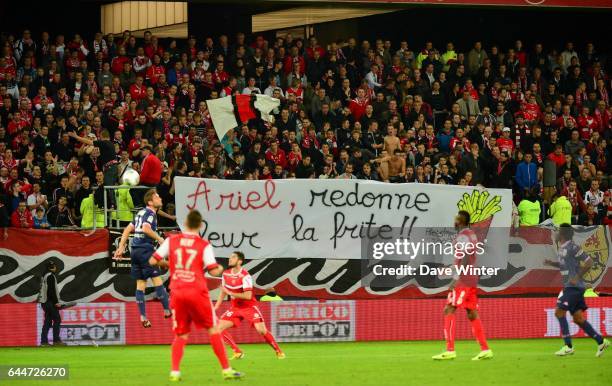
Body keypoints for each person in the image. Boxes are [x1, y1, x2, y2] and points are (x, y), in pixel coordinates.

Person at [149, 210, 243, 381]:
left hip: (177, 292)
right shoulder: (203, 244)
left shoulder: (171, 241)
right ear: (200, 225)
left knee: (181, 334)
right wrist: (221, 269)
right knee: (213, 330)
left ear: (185, 223)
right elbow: (213, 270)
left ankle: (175, 372)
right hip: (197, 292)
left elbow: (152, 261)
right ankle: (226, 370)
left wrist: (170, 264)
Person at [432, 210, 492, 361]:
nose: (454, 221)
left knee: (449, 308)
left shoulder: (463, 236)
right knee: (471, 313)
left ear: (461, 221)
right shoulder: (470, 234)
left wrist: (456, 278)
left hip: (464, 278)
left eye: (456, 218)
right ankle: (485, 349)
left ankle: (450, 349)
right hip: (471, 277)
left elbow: (465, 256)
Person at [544, 224, 609, 357]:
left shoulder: (573, 247)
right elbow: (564, 264)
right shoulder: (562, 248)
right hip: (572, 287)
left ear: (562, 234)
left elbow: (589, 262)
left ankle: (568, 346)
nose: (556, 233)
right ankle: (601, 341)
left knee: (559, 312)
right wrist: (552, 263)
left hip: (573, 287)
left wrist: (577, 277)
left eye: (558, 231)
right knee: (578, 319)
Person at [113, 188, 171, 327]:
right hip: (146, 250)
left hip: (135, 251)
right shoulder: (151, 213)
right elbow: (145, 228)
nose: (160, 199)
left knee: (140, 285)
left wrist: (121, 247)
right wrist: (160, 239)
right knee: (158, 281)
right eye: (157, 197)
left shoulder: (140, 212)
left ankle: (143, 316)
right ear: (150, 202)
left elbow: (127, 229)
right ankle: (167, 310)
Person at [215, 251, 284, 360]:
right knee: (217, 329)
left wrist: (230, 293)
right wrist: (217, 306)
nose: (230, 259)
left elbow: (247, 296)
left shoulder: (245, 276)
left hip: (249, 307)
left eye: (233, 257)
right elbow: (223, 291)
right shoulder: (226, 274)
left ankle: (279, 351)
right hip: (235, 308)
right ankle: (237, 352)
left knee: (261, 330)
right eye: (230, 257)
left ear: (240, 261)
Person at [37, 260, 65, 346]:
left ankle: (44, 341)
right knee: (57, 319)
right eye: (55, 266)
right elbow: (51, 291)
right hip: (49, 302)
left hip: (44, 301)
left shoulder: (44, 275)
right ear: (53, 267)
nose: (56, 268)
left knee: (48, 321)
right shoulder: (51, 276)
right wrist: (56, 302)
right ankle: (56, 340)